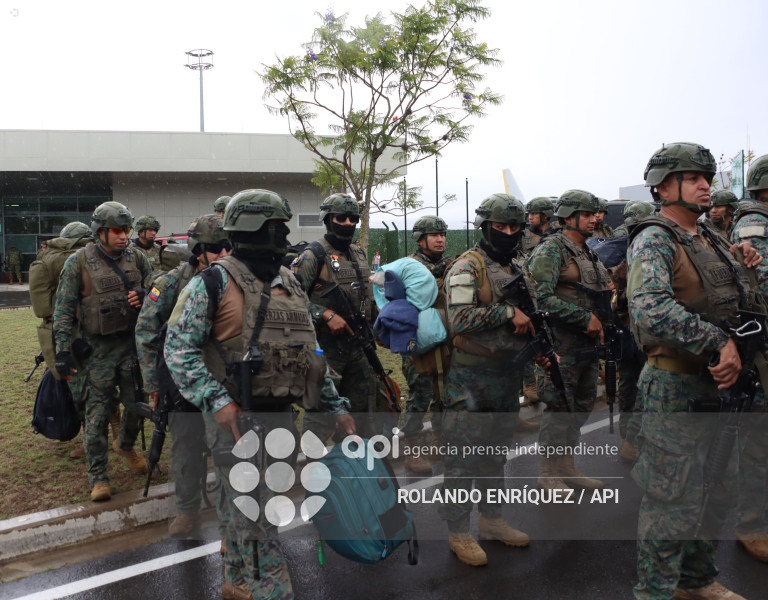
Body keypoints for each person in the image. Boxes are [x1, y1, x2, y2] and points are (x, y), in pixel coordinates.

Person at [164, 189, 355, 600]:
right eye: (276, 226)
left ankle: (235, 579)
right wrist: (217, 401)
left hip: (281, 416)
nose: (284, 233)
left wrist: (336, 404)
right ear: (254, 228)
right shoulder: (212, 281)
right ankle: (273, 589)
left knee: (245, 505)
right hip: (237, 420)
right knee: (260, 515)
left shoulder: (290, 282)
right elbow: (177, 348)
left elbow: (311, 354)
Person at [628, 142, 762, 600]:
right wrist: (717, 342)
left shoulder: (712, 238)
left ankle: (696, 579)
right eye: (693, 177)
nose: (706, 184)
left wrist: (747, 264)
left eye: (707, 176)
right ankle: (655, 592)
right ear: (663, 186)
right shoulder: (655, 238)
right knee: (672, 499)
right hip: (676, 387)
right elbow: (650, 309)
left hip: (720, 387)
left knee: (718, 487)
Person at [439, 193, 549, 567]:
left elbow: (532, 315)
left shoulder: (518, 265)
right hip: (470, 378)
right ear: (484, 227)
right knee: (462, 458)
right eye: (499, 227)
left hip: (507, 376)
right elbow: (461, 320)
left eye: (514, 227)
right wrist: (505, 311)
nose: (507, 232)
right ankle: (458, 531)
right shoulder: (467, 267)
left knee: (494, 455)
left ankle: (491, 519)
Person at [135, 214, 230, 536]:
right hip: (181, 383)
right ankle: (188, 510)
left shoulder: (235, 281)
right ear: (198, 250)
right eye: (216, 249)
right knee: (186, 449)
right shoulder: (171, 283)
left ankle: (231, 522)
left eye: (227, 247)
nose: (223, 255)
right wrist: (152, 383)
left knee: (228, 451)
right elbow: (146, 331)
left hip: (223, 382)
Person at [53, 201, 151, 502]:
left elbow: (157, 289)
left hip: (130, 347)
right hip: (96, 352)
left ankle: (124, 444)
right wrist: (63, 350)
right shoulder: (79, 262)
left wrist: (146, 295)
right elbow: (64, 309)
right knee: (95, 419)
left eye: (126, 230)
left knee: (137, 408)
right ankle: (98, 478)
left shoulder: (139, 259)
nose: (123, 236)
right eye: (116, 230)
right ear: (100, 232)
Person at [527, 189, 610, 492]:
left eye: (594, 214)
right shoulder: (551, 250)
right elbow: (540, 298)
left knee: (583, 404)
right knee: (559, 408)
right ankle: (548, 472)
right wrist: (583, 318)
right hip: (560, 346)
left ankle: (567, 465)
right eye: (587, 214)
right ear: (569, 217)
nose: (594, 219)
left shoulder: (587, 251)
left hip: (587, 347)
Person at [292, 193, 378, 439]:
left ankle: (351, 466)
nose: (349, 224)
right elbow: (292, 301)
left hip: (359, 347)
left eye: (353, 218)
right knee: (321, 414)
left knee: (361, 412)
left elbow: (366, 298)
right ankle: (313, 468)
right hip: (326, 351)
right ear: (328, 219)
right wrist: (325, 314)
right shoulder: (313, 255)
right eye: (342, 218)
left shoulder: (359, 254)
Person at [28, 222, 113, 459]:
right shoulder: (92, 256)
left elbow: (43, 308)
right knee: (101, 387)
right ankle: (108, 439)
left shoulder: (50, 259)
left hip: (67, 333)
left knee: (81, 390)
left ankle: (93, 440)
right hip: (98, 331)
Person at [728, 153, 768, 563]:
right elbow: (763, 283)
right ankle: (753, 525)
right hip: (760, 351)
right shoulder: (754, 225)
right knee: (758, 445)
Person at [401, 215, 452, 474]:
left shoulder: (449, 265)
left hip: (443, 339)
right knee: (419, 396)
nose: (440, 239)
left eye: (442, 234)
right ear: (421, 239)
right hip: (417, 342)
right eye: (434, 235)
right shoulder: (408, 266)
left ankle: (438, 442)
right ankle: (413, 450)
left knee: (443, 393)